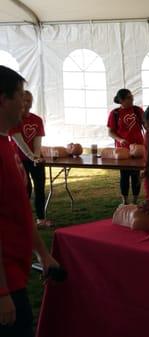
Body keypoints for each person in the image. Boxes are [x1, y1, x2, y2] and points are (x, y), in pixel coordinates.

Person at [0, 65, 60, 337]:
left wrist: (42, 253)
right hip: (6, 284)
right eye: (20, 97)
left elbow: (19, 211)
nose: (24, 106)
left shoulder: (5, 145)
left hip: (16, 274)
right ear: (3, 100)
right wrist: (2, 292)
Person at [8, 90, 52, 228]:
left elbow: (37, 141)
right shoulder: (14, 120)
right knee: (25, 189)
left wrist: (37, 156)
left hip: (36, 159)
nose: (27, 103)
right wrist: (31, 156)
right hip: (19, 159)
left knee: (40, 188)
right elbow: (19, 141)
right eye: (24, 100)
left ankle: (41, 219)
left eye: (29, 100)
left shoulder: (37, 119)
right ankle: (23, 219)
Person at [107, 88, 144, 205]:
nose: (132, 98)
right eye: (129, 97)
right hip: (122, 150)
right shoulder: (115, 113)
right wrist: (120, 139)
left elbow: (147, 126)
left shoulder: (138, 110)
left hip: (138, 148)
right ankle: (125, 200)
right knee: (124, 175)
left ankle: (135, 200)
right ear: (121, 100)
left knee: (136, 175)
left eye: (131, 96)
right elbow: (110, 132)